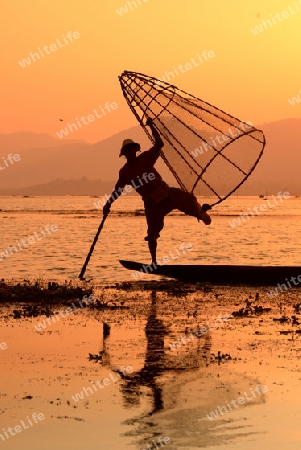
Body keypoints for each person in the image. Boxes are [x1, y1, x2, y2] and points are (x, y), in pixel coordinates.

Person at [103, 118, 211, 263]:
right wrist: (108, 204)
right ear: (124, 153)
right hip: (151, 202)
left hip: (165, 192)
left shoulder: (146, 157)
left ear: (136, 150)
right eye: (128, 150)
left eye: (133, 149)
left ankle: (201, 213)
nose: (131, 152)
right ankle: (154, 262)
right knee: (152, 232)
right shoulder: (124, 172)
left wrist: (152, 127)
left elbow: (159, 144)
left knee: (189, 199)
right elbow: (118, 190)